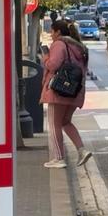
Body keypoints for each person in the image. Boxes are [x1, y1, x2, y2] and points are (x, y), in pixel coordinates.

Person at [40, 20, 92, 169]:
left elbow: (53, 65)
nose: (51, 34)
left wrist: (45, 58)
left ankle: (58, 157)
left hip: (59, 90)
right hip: (74, 91)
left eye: (52, 31)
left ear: (58, 32)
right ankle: (82, 150)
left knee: (54, 123)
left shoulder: (59, 45)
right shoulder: (79, 46)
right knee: (65, 122)